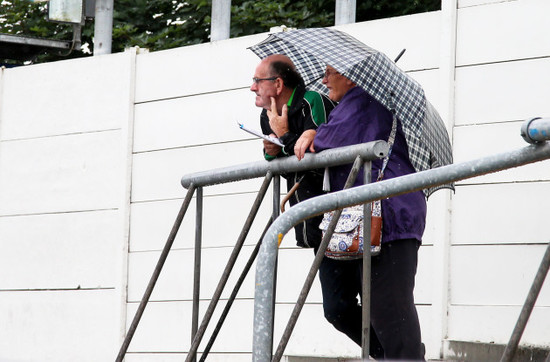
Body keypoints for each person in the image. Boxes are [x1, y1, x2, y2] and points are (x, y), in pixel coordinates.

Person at [311, 65, 427, 360]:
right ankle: (399, 355)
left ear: (350, 75)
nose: (324, 80)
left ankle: (404, 356)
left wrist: (297, 134)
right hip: (355, 219)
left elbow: (325, 143)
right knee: (338, 306)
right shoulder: (353, 103)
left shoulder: (364, 99)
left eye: (329, 73)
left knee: (390, 310)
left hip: (388, 216)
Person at [250, 54, 335, 248]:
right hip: (303, 202)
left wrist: (284, 134)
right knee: (324, 265)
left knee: (335, 265)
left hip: (330, 205)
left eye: (257, 81)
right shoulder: (267, 114)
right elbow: (281, 157)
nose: (252, 87)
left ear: (278, 84)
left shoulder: (312, 101)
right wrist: (270, 151)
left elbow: (315, 154)